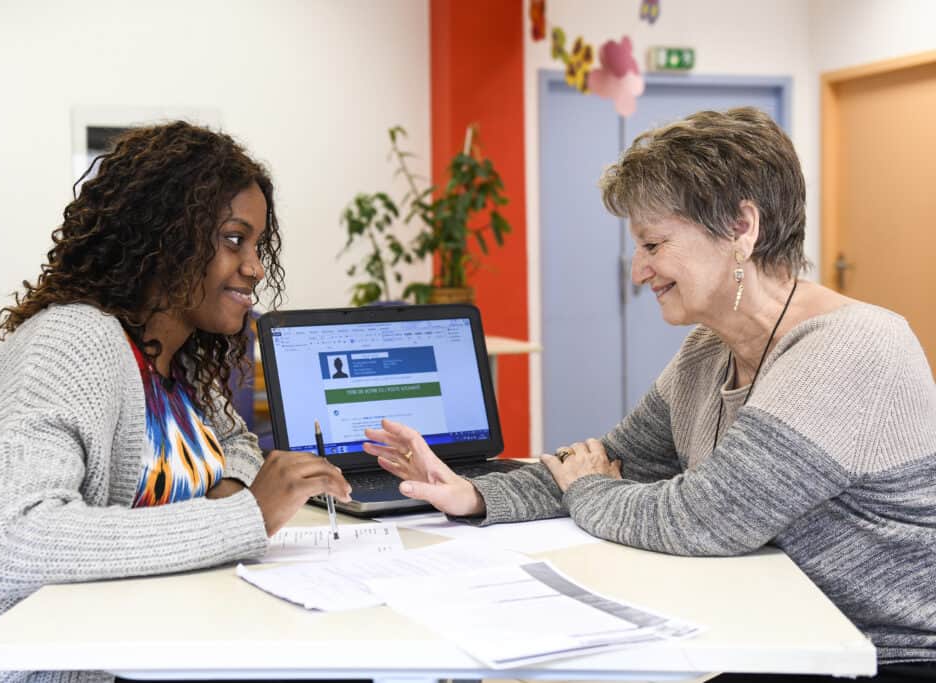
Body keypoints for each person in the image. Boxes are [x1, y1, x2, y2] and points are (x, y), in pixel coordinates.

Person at [363, 108, 936, 681]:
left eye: (654, 244)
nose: (639, 271)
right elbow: (611, 461)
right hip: (771, 633)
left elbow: (702, 519)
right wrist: (475, 494)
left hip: (881, 655)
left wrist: (588, 488)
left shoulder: (851, 347)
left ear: (742, 227)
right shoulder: (705, 352)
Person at [0, 122, 351, 682]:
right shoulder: (73, 343)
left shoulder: (179, 358)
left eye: (257, 245)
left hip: (137, 643)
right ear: (167, 239)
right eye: (233, 239)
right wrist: (246, 517)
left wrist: (233, 488)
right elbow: (15, 541)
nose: (256, 266)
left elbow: (236, 442)